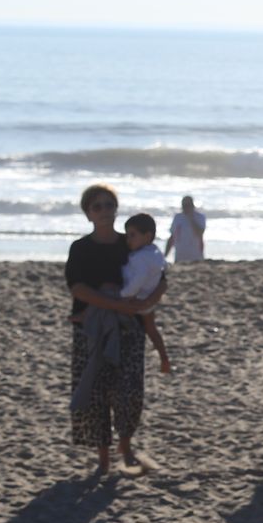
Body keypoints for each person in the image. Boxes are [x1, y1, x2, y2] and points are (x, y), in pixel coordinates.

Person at [65, 184, 166, 475]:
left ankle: (126, 446)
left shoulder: (131, 242)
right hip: (91, 329)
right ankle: (104, 459)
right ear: (88, 214)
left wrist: (150, 299)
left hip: (130, 329)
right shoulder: (81, 248)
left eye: (109, 205)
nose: (104, 211)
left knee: (129, 392)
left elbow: (161, 276)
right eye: (97, 206)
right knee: (96, 393)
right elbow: (78, 288)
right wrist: (114, 304)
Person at [121, 213, 172, 374]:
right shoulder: (154, 252)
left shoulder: (141, 257)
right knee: (151, 328)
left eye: (132, 235)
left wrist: (124, 294)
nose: (128, 240)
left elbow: (138, 279)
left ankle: (163, 358)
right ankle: (164, 358)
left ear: (147, 236)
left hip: (137, 298)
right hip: (149, 298)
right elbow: (165, 267)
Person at [165, 196, 206, 263]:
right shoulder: (177, 217)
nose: (185, 207)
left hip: (196, 258)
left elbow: (200, 233)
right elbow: (172, 237)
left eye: (187, 205)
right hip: (179, 257)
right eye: (184, 205)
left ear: (192, 205)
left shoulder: (200, 217)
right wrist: (165, 255)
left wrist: (191, 218)